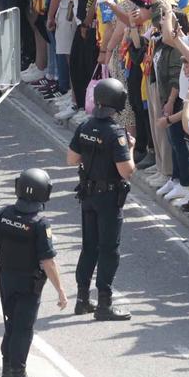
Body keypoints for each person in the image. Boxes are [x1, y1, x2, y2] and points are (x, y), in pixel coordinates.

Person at [0, 167, 68, 377]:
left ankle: (7, 374)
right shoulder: (40, 223)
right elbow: (48, 262)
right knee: (23, 330)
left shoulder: (2, 214)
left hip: (7, 281)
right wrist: (60, 290)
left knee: (11, 325)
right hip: (30, 286)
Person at [67, 76, 135, 321]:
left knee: (89, 248)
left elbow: (72, 159)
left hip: (88, 195)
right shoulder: (115, 133)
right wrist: (131, 149)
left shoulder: (84, 126)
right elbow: (126, 171)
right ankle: (104, 304)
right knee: (109, 250)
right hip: (109, 198)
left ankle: (82, 299)